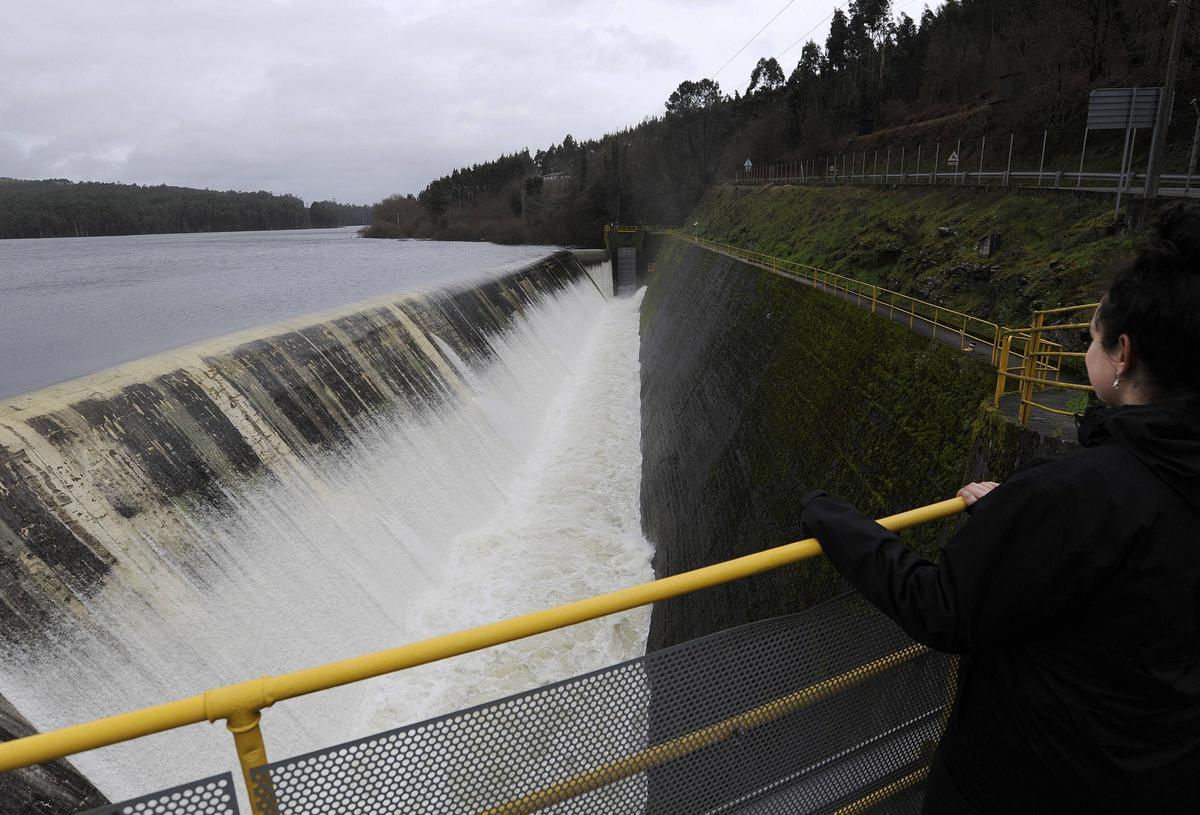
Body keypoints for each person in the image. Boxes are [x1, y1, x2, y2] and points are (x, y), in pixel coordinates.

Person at [799, 202, 1200, 814]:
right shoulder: (1124, 488)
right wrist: (1015, 516)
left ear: (1123, 353)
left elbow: (941, 607)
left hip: (1025, 783)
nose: (1083, 349)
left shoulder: (1075, 493)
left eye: (1090, 337)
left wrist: (830, 517)